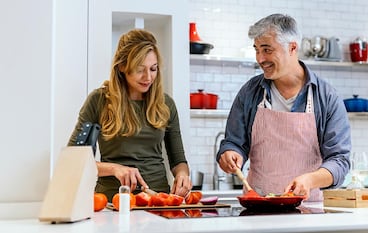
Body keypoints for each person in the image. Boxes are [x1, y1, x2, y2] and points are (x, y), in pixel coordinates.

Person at [216, 14, 351, 201]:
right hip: (259, 207)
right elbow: (233, 143)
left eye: (267, 50)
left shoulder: (326, 97)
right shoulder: (250, 92)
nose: (260, 59)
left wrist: (311, 180)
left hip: (309, 211)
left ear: (292, 47)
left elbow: (340, 161)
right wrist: (230, 154)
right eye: (256, 50)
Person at [68, 29, 192, 200]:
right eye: (140, 69)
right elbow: (74, 161)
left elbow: (178, 161)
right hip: (112, 201)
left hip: (158, 200)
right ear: (122, 66)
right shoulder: (98, 100)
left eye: (153, 69)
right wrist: (115, 169)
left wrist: (182, 175)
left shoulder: (166, 104)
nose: (148, 77)